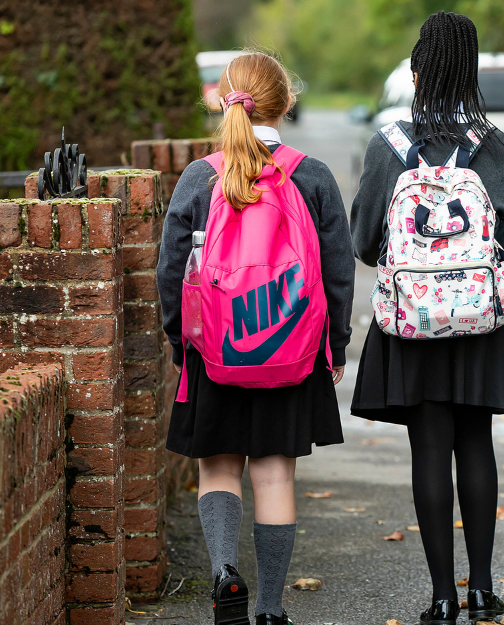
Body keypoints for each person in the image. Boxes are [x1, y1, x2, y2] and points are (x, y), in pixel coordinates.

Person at [156, 52, 354, 625]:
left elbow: (172, 271)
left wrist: (180, 344)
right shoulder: (311, 175)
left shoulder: (200, 176)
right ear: (286, 102)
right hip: (292, 350)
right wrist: (333, 345)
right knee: (273, 471)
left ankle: (223, 575)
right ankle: (269, 610)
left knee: (218, 467)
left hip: (213, 351)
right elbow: (337, 272)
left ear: (221, 99)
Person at [349, 11, 504, 625]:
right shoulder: (497, 147)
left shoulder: (388, 145)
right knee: (477, 442)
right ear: (470, 74)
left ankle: (443, 596)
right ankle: (483, 591)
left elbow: (365, 243)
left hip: (413, 319)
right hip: (479, 319)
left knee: (430, 447)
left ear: (417, 73)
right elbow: (501, 236)